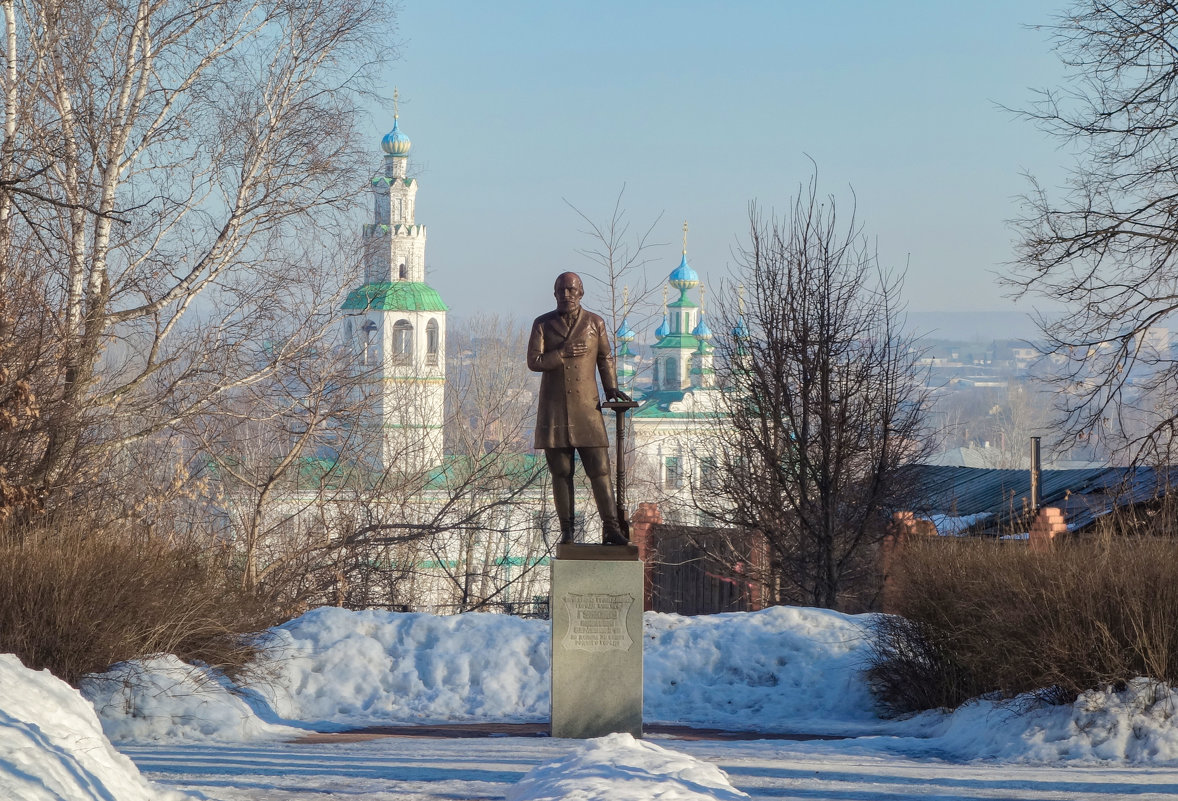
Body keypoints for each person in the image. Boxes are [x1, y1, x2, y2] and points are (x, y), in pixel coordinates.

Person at [528, 272, 630, 545]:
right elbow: (534, 361)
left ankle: (611, 528)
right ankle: (567, 531)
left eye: (571, 290)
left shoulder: (595, 323)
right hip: (555, 411)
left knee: (600, 470)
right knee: (561, 473)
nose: (566, 295)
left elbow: (604, 358)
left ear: (581, 293)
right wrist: (562, 353)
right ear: (554, 293)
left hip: (587, 410)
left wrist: (611, 389)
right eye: (561, 290)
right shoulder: (543, 324)